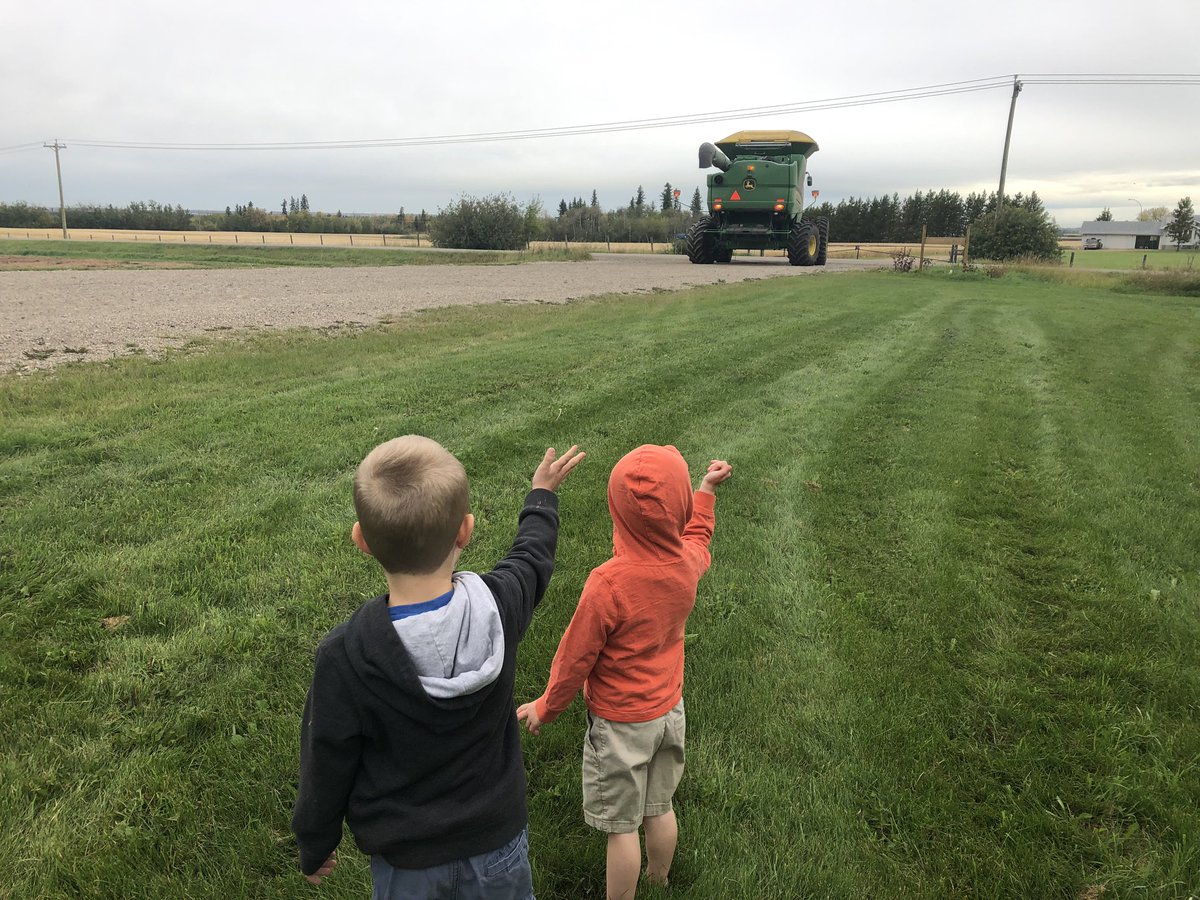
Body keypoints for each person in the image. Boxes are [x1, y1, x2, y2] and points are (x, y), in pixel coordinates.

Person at [292, 435, 584, 898]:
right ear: (465, 531)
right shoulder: (499, 609)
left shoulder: (345, 656)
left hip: (406, 865)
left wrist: (316, 840)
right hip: (497, 847)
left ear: (361, 540)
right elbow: (532, 558)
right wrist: (541, 496)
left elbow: (326, 760)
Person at [517, 445, 732, 900]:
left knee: (621, 829)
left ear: (616, 511)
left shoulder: (608, 584)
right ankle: (659, 881)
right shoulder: (686, 565)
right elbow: (698, 537)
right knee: (659, 808)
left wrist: (547, 706)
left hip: (619, 726)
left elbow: (575, 659)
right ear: (682, 509)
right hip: (669, 712)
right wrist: (706, 490)